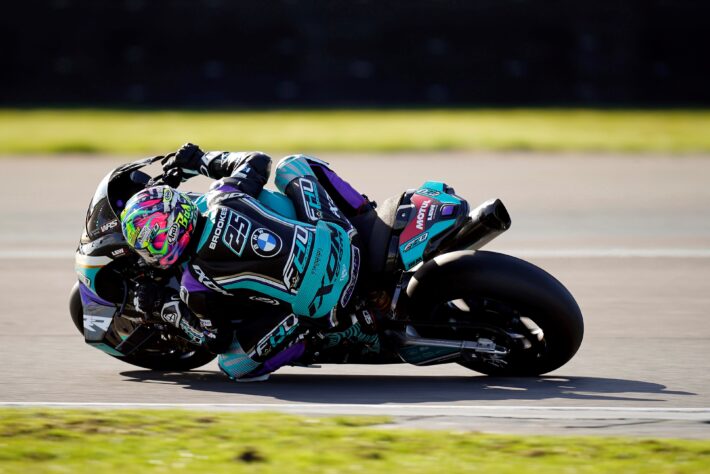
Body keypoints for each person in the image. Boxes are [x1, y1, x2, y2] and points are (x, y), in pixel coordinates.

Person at [120, 144, 375, 381]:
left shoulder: (194, 282)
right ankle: (364, 212)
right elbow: (258, 161)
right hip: (343, 240)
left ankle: (318, 340)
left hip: (328, 304)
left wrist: (164, 306)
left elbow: (215, 340)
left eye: (152, 245)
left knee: (233, 365)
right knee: (292, 165)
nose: (150, 254)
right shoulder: (223, 194)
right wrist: (200, 161)